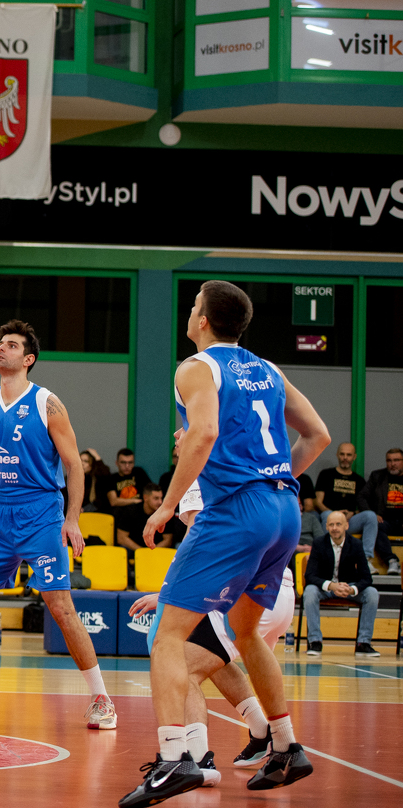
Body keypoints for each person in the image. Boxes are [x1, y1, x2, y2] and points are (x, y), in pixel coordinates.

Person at [120, 281, 328, 807]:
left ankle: (174, 759)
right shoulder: (268, 368)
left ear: (204, 321)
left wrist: (166, 505)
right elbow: (318, 435)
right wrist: (271, 480)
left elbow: (205, 432)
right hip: (285, 509)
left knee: (167, 637)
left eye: (194, 306)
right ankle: (285, 747)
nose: (190, 313)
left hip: (237, 510)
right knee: (247, 632)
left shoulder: (196, 367)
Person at [0, 320, 117, 731]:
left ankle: (101, 698)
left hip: (41, 512)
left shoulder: (48, 403)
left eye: (11, 345)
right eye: (0, 343)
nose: (1, 349)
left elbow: (74, 466)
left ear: (28, 358)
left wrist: (72, 518)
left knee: (60, 607)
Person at [128, 475, 299, 786]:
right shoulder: (256, 470)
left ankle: (196, 760)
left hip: (241, 587)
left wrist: (170, 594)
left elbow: (200, 542)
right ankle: (269, 734)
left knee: (181, 663)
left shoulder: (203, 471)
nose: (180, 445)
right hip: (279, 589)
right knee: (216, 657)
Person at [302, 509, 381, 657]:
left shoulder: (356, 544)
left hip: (347, 588)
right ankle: (315, 642)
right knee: (310, 591)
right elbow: (310, 576)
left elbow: (367, 578)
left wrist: (352, 589)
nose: (335, 528)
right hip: (326, 588)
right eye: (331, 525)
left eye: (338, 524)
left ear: (346, 526)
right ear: (326, 527)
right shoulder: (319, 543)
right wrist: (331, 586)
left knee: (372, 593)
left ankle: (363, 643)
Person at [315, 442, 381, 566]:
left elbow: (363, 504)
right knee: (327, 515)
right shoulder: (326, 474)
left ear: (354, 457)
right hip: (330, 518)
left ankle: (366, 559)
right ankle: (329, 556)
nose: (345, 458)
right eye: (342, 454)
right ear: (337, 455)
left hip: (350, 521)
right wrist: (335, 515)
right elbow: (317, 502)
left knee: (370, 515)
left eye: (349, 455)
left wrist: (352, 513)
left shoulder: (359, 480)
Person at [363, 447, 402, 573]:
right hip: (385, 520)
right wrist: (372, 514)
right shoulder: (378, 476)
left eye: (396, 460)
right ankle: (392, 561)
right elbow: (362, 496)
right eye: (389, 461)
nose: (393, 464)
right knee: (376, 526)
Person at [116, 484, 172, 552]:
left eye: (161, 498)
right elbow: (121, 538)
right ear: (145, 498)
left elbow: (167, 540)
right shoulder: (130, 511)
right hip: (134, 549)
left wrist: (151, 552)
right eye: (156, 498)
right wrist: (141, 552)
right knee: (122, 550)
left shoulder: (164, 513)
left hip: (156, 550)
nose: (160, 502)